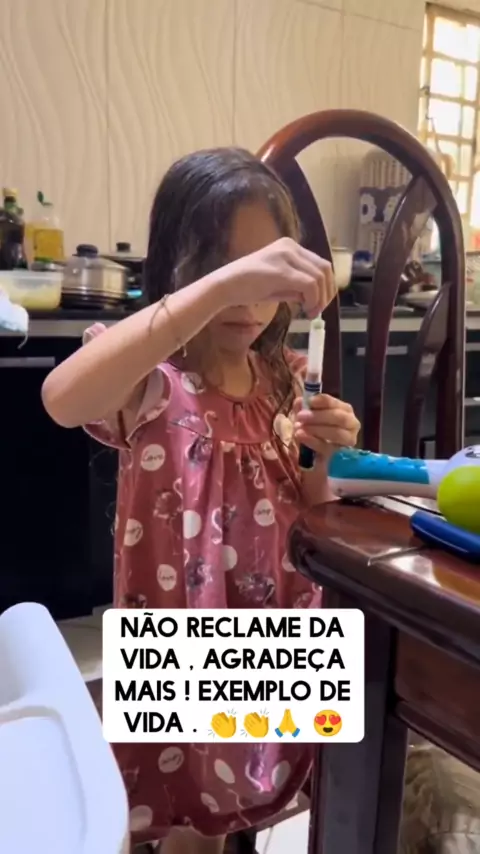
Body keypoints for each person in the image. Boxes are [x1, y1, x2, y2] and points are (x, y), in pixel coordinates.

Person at [42, 148, 360, 854]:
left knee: (264, 789)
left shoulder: (282, 377)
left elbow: (312, 502)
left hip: (280, 628)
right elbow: (61, 399)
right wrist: (222, 288)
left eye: (263, 277)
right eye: (223, 271)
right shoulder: (152, 379)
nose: (247, 303)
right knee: (188, 813)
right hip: (183, 626)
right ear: (180, 268)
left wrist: (329, 451)